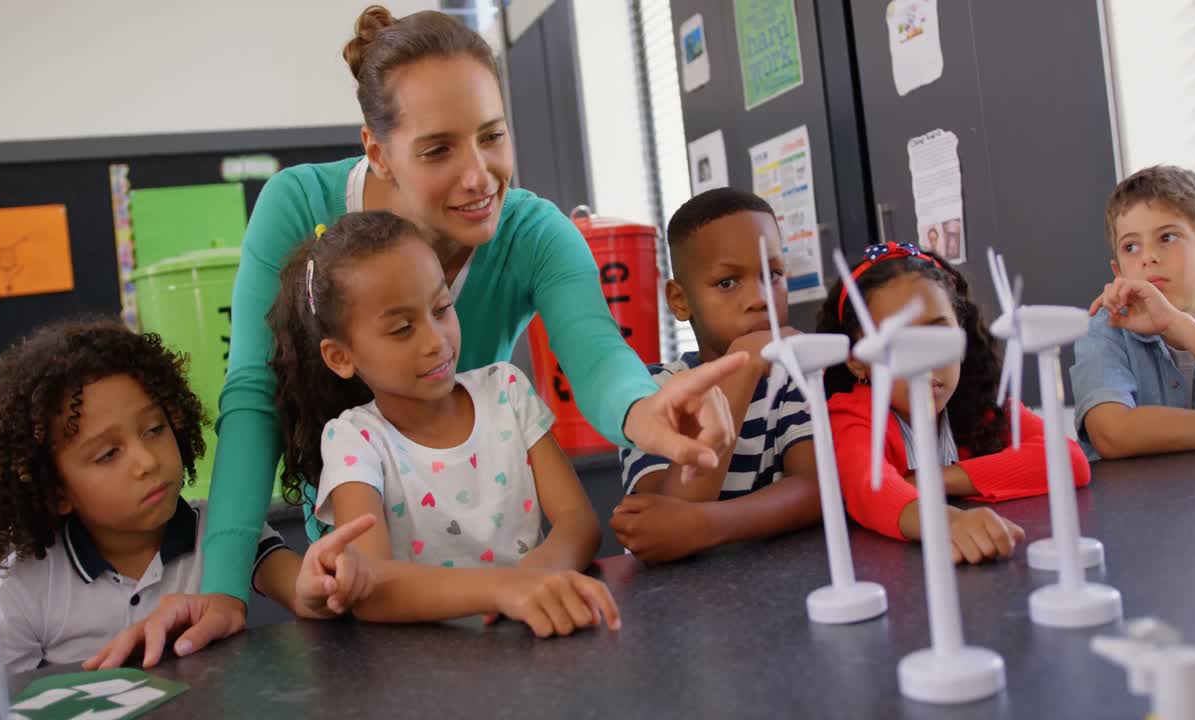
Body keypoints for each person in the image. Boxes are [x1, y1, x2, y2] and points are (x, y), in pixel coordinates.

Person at [162, 6, 740, 658]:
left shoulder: (533, 233)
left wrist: (642, 407)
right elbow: (252, 395)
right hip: (373, 560)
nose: (478, 175)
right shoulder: (299, 207)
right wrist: (223, 587)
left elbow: (596, 351)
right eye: (438, 149)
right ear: (378, 152)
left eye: (492, 137)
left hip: (494, 547)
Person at [270, 211, 620, 636]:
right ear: (341, 357)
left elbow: (578, 522)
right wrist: (507, 588)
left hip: (531, 636)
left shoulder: (506, 392)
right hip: (423, 673)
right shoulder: (354, 440)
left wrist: (539, 581)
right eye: (402, 329)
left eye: (442, 308)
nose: (436, 340)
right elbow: (373, 587)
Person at [0, 319, 375, 673]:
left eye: (153, 429)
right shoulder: (23, 584)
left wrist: (321, 585)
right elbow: (11, 700)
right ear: (55, 491)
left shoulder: (223, 531)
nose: (146, 461)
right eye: (108, 454)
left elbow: (302, 590)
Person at [818, 243, 1091, 564]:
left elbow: (1070, 460)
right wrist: (950, 522)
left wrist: (930, 478)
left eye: (938, 332)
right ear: (857, 362)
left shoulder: (978, 401)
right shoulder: (851, 414)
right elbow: (871, 488)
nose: (926, 358)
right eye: (897, 339)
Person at [614, 189, 819, 563]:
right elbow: (663, 517)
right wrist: (744, 365)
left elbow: (815, 490)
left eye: (772, 274)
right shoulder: (652, 391)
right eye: (727, 282)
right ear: (680, 300)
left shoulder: (797, 375)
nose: (760, 298)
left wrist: (707, 525)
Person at [1071, 165, 1195, 460]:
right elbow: (1112, 434)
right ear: (1118, 271)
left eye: (1167, 238)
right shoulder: (1106, 329)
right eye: (1130, 247)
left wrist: (1177, 324)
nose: (1148, 257)